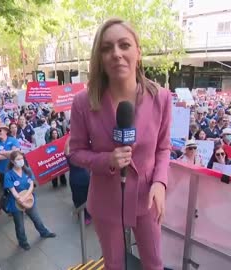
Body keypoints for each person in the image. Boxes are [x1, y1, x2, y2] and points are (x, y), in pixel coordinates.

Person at [69, 18, 170, 270]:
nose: (116, 54)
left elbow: (164, 147)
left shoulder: (162, 97)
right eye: (106, 48)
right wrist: (107, 161)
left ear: (138, 51)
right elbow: (76, 152)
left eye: (124, 45)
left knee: (154, 262)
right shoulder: (83, 102)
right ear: (100, 57)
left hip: (147, 198)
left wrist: (160, 182)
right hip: (105, 198)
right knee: (114, 265)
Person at [3, 151, 56, 250]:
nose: (20, 161)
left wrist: (26, 197)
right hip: (16, 203)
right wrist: (20, 199)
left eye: (21, 158)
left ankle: (44, 232)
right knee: (19, 224)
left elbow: (31, 185)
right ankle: (23, 242)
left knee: (36, 218)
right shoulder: (9, 175)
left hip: (29, 199)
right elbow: (12, 190)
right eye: (18, 159)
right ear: (12, 161)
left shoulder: (27, 170)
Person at [65, 137, 91, 224]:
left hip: (87, 180)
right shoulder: (70, 157)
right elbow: (66, 149)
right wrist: (70, 136)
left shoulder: (84, 155)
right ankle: (83, 215)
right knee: (79, 199)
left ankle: (89, 213)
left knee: (88, 197)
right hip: (76, 181)